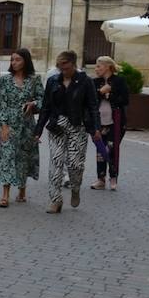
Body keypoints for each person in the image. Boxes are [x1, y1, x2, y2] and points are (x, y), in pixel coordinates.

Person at [35, 49, 101, 214]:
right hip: (57, 125)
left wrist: (96, 128)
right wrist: (38, 130)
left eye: (65, 66)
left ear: (74, 64)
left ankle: (75, 187)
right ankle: (55, 200)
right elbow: (46, 107)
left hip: (77, 125)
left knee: (75, 165)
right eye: (60, 66)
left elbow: (93, 106)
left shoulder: (85, 81)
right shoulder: (53, 81)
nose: (62, 69)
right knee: (56, 163)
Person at [0, 48, 42, 208]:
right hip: (9, 123)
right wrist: (3, 125)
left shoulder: (35, 80)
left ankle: (22, 189)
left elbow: (42, 100)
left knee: (24, 158)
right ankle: (5, 195)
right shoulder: (5, 80)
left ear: (25, 61)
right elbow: (1, 104)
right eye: (12, 60)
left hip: (27, 124)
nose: (14, 63)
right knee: (7, 157)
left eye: (17, 60)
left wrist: (33, 103)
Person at [90, 55, 129, 192]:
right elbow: (91, 99)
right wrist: (101, 92)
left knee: (111, 149)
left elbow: (125, 100)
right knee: (100, 150)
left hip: (116, 122)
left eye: (98, 66)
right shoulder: (95, 82)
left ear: (107, 66)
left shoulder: (119, 81)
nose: (96, 69)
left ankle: (113, 177)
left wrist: (109, 94)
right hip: (99, 122)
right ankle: (100, 179)